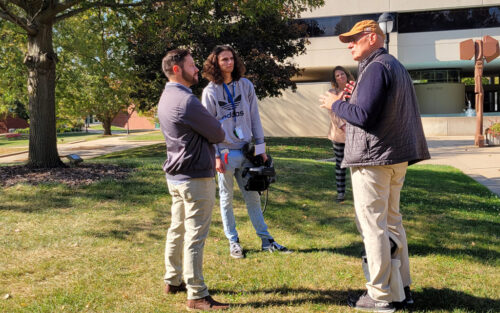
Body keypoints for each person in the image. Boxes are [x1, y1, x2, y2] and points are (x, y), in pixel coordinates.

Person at [319, 20, 430, 312]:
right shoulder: (393, 65)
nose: (349, 44)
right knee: (392, 221)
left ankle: (379, 296)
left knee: (374, 227)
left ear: (372, 37)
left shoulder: (377, 66)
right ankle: (401, 289)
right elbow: (372, 108)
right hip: (395, 158)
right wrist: (353, 97)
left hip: (374, 160)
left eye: (354, 39)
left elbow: (364, 116)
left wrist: (334, 103)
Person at [201, 45, 291, 259]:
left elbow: (254, 118)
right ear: (215, 63)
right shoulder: (210, 91)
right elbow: (207, 127)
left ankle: (266, 240)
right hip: (224, 153)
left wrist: (261, 149)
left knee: (253, 197)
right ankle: (233, 241)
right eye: (224, 60)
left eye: (231, 58)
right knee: (226, 198)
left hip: (247, 151)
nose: (229, 63)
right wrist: (215, 156)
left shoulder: (246, 86)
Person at [158, 48, 229, 311]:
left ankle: (173, 279)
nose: (197, 69)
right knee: (195, 236)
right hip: (194, 177)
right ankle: (197, 294)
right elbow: (218, 132)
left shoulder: (166, 97)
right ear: (177, 69)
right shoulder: (187, 101)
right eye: (192, 65)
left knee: (177, 228)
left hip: (176, 177)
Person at [322, 66, 355, 202]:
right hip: (339, 135)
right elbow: (333, 112)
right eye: (337, 75)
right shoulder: (332, 92)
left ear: (347, 75)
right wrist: (343, 126)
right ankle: (341, 193)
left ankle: (358, 193)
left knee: (356, 165)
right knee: (340, 164)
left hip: (355, 134)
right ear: (334, 79)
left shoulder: (354, 90)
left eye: (342, 74)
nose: (341, 77)